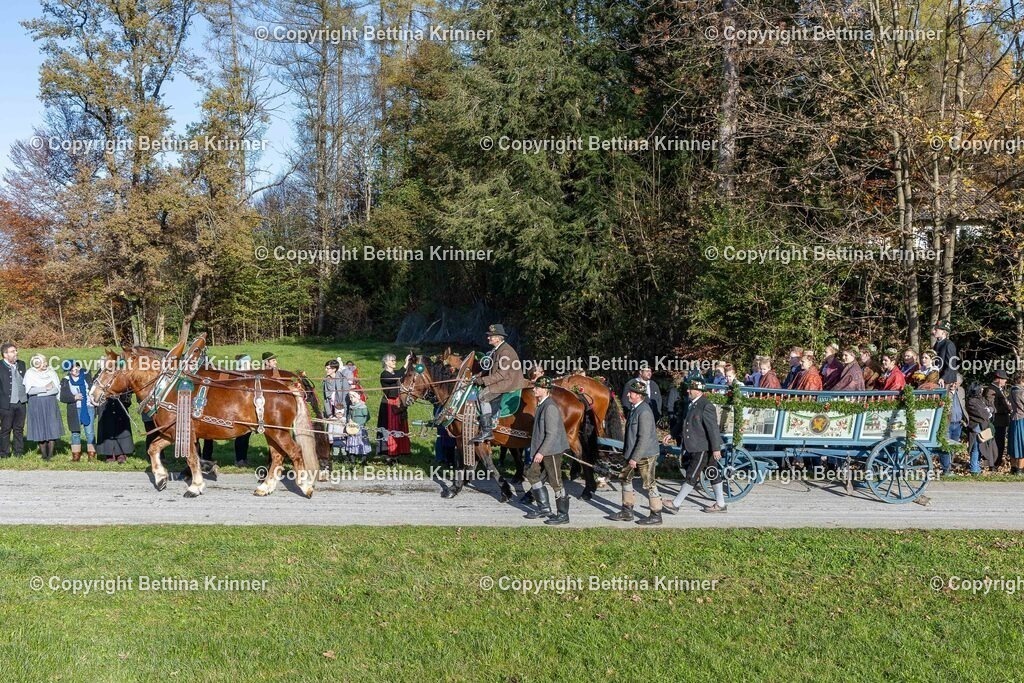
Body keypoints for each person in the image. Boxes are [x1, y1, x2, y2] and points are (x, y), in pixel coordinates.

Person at [663, 378, 726, 513]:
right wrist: (672, 434)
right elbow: (683, 422)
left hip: (702, 447)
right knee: (712, 473)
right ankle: (721, 504)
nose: (687, 391)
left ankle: (675, 504)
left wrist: (716, 448)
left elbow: (713, 429)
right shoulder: (691, 404)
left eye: (690, 389)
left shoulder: (706, 405)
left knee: (692, 475)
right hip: (697, 445)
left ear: (698, 391)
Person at [610, 379, 665, 525]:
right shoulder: (635, 409)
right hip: (632, 454)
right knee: (624, 478)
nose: (628, 395)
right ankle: (627, 511)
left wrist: (635, 458)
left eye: (632, 393)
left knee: (649, 483)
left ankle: (656, 514)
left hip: (644, 454)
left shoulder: (644, 411)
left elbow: (644, 438)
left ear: (639, 395)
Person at [523, 376, 571, 525]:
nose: (534, 389)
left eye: (537, 387)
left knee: (556, 481)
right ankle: (544, 508)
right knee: (532, 474)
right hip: (543, 450)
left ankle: (563, 515)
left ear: (545, 390)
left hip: (551, 451)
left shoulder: (549, 407)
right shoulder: (542, 404)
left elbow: (552, 434)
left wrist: (541, 452)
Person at [471, 324, 531, 442]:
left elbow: (501, 374)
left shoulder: (505, 352)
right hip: (503, 379)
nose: (488, 338)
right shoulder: (497, 349)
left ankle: (487, 431)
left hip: (508, 382)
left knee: (482, 396)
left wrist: (483, 381)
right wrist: (477, 376)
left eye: (491, 336)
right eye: (489, 336)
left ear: (498, 338)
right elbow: (491, 368)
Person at [23, 354, 64, 460]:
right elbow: (30, 391)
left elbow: (55, 389)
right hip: (36, 404)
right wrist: (45, 388)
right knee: (39, 428)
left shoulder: (51, 372)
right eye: (42, 361)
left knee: (51, 428)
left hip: (50, 403)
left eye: (45, 361)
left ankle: (50, 455)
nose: (45, 363)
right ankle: (44, 455)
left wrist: (39, 391)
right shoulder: (30, 373)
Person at [59, 360, 96, 462]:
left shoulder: (86, 377)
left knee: (89, 432)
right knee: (75, 432)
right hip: (74, 409)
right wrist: (74, 397)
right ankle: (76, 455)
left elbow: (94, 390)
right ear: (69, 371)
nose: (76, 370)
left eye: (77, 367)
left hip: (88, 407)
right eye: (73, 369)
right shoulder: (66, 380)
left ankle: (91, 454)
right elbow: (63, 397)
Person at [377, 353, 411, 461]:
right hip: (389, 404)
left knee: (400, 427)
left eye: (395, 360)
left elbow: (404, 373)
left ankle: (399, 451)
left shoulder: (396, 372)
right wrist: (405, 364)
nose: (394, 362)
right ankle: (389, 454)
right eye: (392, 360)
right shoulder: (385, 374)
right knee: (391, 428)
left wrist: (409, 361)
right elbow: (397, 376)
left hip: (399, 402)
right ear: (386, 362)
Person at [0, 342, 28, 458]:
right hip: (6, 404)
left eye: (16, 351)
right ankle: (4, 453)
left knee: (19, 429)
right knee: (6, 429)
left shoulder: (21, 364)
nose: (16, 353)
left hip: (21, 403)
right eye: (12, 351)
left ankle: (18, 452)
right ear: (5, 354)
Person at [965, 382, 996, 474]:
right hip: (976, 428)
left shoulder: (979, 400)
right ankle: (974, 469)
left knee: (980, 449)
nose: (982, 390)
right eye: (980, 388)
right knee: (975, 449)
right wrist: (988, 411)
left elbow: (988, 410)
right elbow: (983, 414)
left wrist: (989, 410)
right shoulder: (971, 401)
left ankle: (976, 467)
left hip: (982, 427)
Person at [233, 354, 252, 466]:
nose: (249, 365)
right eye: (247, 363)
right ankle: (239, 459)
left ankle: (244, 458)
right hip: (239, 409)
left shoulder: (249, 374)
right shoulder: (237, 375)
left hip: (247, 408)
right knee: (240, 436)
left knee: (246, 436)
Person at [990, 370, 1011, 468]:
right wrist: (1008, 408)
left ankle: (997, 463)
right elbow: (992, 407)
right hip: (997, 421)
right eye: (1004, 379)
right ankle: (994, 464)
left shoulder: (999, 389)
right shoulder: (991, 390)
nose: (1005, 381)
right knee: (997, 444)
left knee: (1001, 443)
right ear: (998, 379)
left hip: (1002, 421)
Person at [345, 391, 372, 465]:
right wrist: (349, 420)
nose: (351, 399)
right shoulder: (351, 407)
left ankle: (364, 459)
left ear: (358, 397)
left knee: (362, 442)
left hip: (360, 428)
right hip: (352, 428)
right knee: (352, 442)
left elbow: (367, 417)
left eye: (353, 396)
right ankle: (352, 459)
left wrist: (360, 423)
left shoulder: (363, 407)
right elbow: (349, 415)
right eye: (350, 397)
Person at [932, 321, 958, 388]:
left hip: (945, 380)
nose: (933, 331)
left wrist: (943, 378)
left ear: (943, 332)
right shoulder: (936, 344)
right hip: (937, 378)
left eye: (936, 329)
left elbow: (951, 364)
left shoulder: (949, 345)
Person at [1008, 372, 1024, 476]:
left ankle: (1013, 468)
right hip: (1021, 418)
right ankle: (1020, 470)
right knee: (1021, 445)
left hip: (1014, 418)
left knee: (1014, 445)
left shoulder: (1012, 390)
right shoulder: (1021, 391)